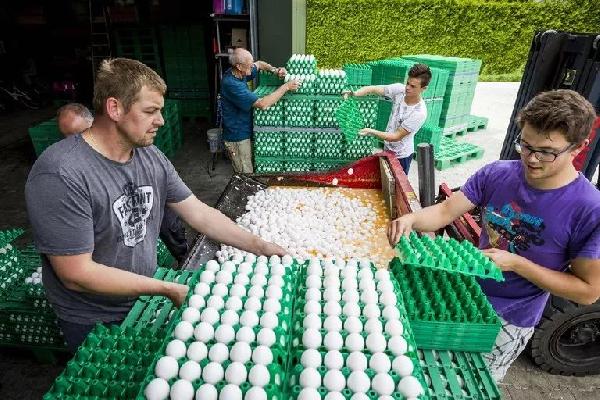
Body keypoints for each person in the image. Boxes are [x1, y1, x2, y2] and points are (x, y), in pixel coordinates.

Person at [25, 58, 286, 352]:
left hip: (140, 297)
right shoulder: (61, 173)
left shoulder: (149, 157)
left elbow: (198, 212)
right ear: (115, 108)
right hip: (93, 318)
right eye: (150, 111)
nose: (160, 120)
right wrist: (164, 288)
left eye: (160, 111)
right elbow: (76, 273)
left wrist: (260, 245)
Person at [387, 89, 600, 381]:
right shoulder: (498, 174)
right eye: (524, 145)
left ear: (579, 148)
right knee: (429, 376)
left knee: (474, 382)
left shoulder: (588, 209)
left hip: (509, 319)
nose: (532, 158)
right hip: (462, 296)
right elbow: (446, 211)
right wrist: (411, 218)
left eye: (547, 152)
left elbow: (587, 291)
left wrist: (517, 264)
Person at [57, 102, 189, 266]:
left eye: (81, 132)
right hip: (124, 213)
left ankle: (185, 258)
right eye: (68, 137)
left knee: (170, 228)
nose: (78, 140)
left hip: (149, 197)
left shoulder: (129, 142)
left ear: (93, 123)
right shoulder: (74, 163)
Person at [220, 48, 300, 173]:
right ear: (239, 66)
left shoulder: (239, 72)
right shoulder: (231, 84)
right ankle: (245, 192)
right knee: (245, 174)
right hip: (237, 137)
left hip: (245, 129)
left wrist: (275, 70)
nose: (252, 66)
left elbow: (259, 64)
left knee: (249, 165)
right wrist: (286, 86)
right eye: (249, 65)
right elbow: (263, 104)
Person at [346, 63, 431, 175]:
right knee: (383, 181)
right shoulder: (400, 90)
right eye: (408, 83)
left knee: (396, 188)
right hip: (387, 149)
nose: (407, 88)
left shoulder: (419, 112)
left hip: (401, 156)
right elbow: (374, 89)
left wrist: (371, 131)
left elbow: (396, 136)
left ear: (423, 88)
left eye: (413, 86)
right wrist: (355, 93)